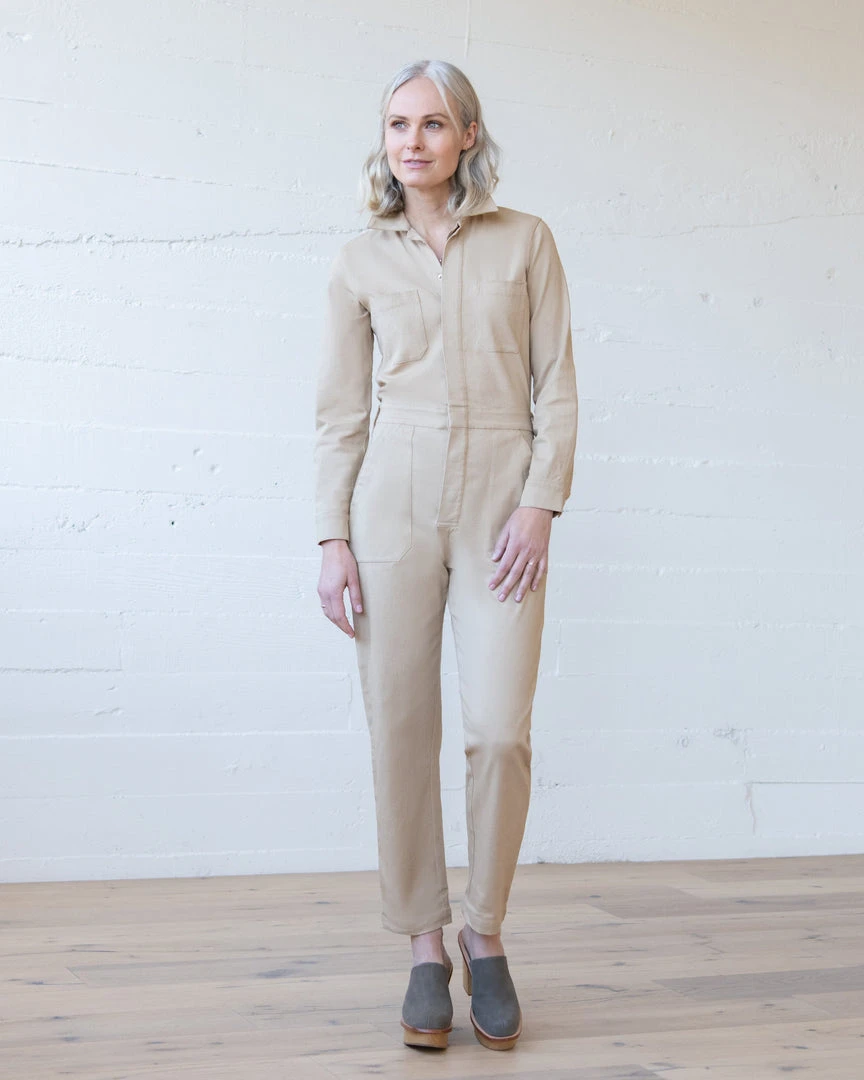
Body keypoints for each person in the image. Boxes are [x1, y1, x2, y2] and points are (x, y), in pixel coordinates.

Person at [314, 59, 578, 1052]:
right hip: (392, 498)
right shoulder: (359, 261)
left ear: (469, 135)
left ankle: (485, 929)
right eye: (398, 124)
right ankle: (426, 946)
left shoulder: (526, 241)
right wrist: (332, 537)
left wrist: (541, 503)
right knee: (400, 727)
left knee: (499, 731)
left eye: (432, 123)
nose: (413, 141)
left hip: (502, 498)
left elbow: (558, 387)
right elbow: (340, 413)